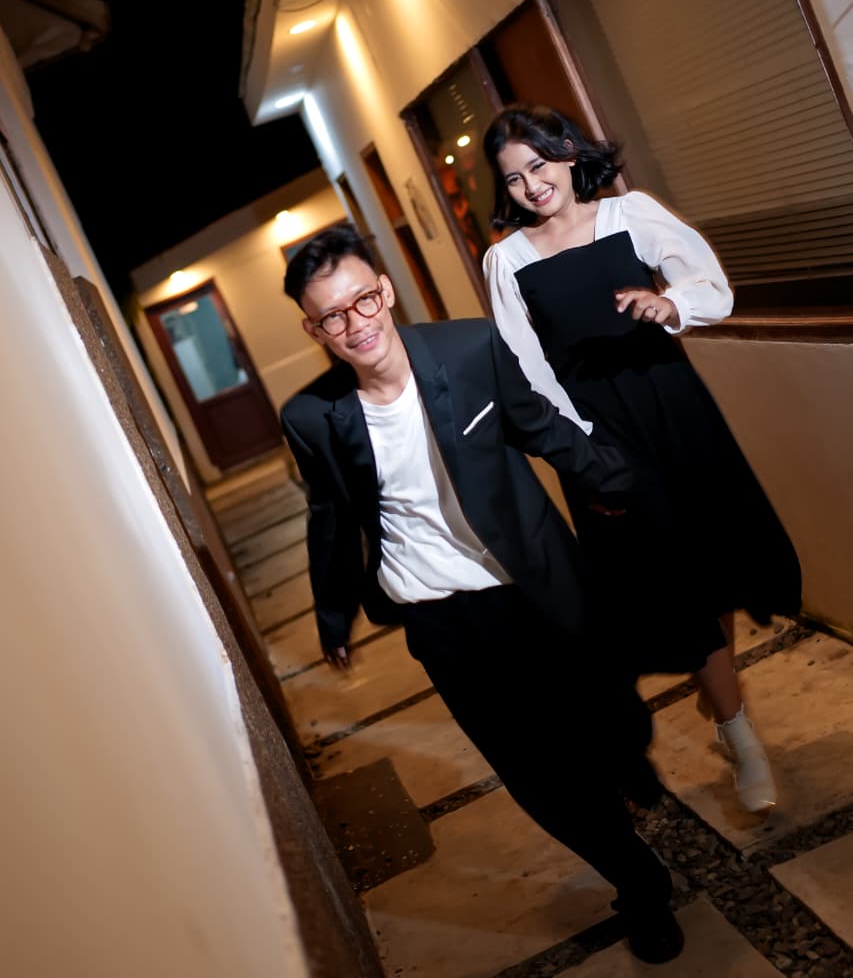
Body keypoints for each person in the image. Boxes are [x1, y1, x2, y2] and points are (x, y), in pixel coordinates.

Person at [280, 224, 684, 965]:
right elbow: (331, 517)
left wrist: (614, 480)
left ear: (384, 292)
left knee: (611, 720)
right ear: (314, 329)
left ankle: (623, 756)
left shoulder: (468, 349)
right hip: (442, 619)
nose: (355, 325)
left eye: (362, 301)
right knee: (539, 773)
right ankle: (639, 882)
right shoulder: (312, 417)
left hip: (530, 585)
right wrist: (332, 613)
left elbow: (539, 426)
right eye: (331, 316)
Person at [482, 103, 803, 816]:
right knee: (671, 578)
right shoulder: (507, 260)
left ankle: (721, 700)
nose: (531, 186)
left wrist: (669, 305)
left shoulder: (632, 214)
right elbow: (527, 372)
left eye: (539, 165)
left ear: (568, 154)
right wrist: (582, 454)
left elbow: (711, 288)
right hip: (600, 435)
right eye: (513, 179)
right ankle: (739, 733)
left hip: (674, 407)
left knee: (711, 563)